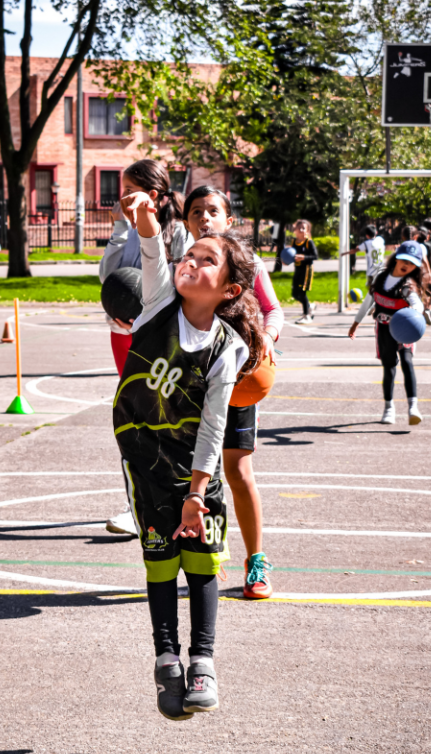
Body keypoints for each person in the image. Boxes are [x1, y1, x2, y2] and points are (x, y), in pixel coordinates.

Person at [115, 189, 263, 719]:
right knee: (159, 563)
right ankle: (165, 657)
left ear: (229, 290)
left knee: (201, 565)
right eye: (190, 254)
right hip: (146, 464)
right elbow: (155, 256)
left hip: (197, 472)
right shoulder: (156, 306)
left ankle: (203, 659)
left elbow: (214, 423)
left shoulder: (231, 348)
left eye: (206, 261)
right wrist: (146, 224)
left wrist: (198, 493)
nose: (191, 263)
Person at [105, 186, 283, 599]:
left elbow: (273, 309)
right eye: (196, 211)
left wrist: (269, 337)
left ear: (229, 218)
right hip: (187, 388)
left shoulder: (245, 265)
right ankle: (198, 548)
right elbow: (152, 262)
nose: (205, 217)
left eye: (213, 210)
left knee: (237, 471)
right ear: (187, 222)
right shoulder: (185, 269)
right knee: (187, 469)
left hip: (236, 378)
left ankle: (256, 560)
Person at [99, 159, 193, 375]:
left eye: (129, 190)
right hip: (121, 331)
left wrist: (143, 323)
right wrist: (119, 228)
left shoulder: (178, 232)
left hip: (158, 334)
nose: (123, 196)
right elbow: (107, 276)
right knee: (129, 400)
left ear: (151, 195)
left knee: (155, 402)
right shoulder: (128, 230)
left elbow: (183, 288)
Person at [347, 241, 430, 426]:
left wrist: (416, 313)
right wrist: (356, 323)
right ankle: (389, 408)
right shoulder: (380, 277)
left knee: (407, 363)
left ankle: (413, 408)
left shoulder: (407, 285)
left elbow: (417, 303)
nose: (406, 265)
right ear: (397, 258)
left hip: (404, 329)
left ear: (416, 266)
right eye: (404, 260)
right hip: (384, 329)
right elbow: (368, 301)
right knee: (389, 367)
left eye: (412, 263)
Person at [290, 220, 317, 324]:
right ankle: (310, 306)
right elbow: (291, 256)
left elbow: (315, 256)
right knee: (294, 293)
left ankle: (306, 316)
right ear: (295, 229)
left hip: (306, 270)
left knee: (302, 292)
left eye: (303, 228)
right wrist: (286, 260)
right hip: (297, 270)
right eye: (299, 228)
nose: (301, 230)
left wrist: (304, 257)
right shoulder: (294, 242)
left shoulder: (308, 242)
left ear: (307, 231)